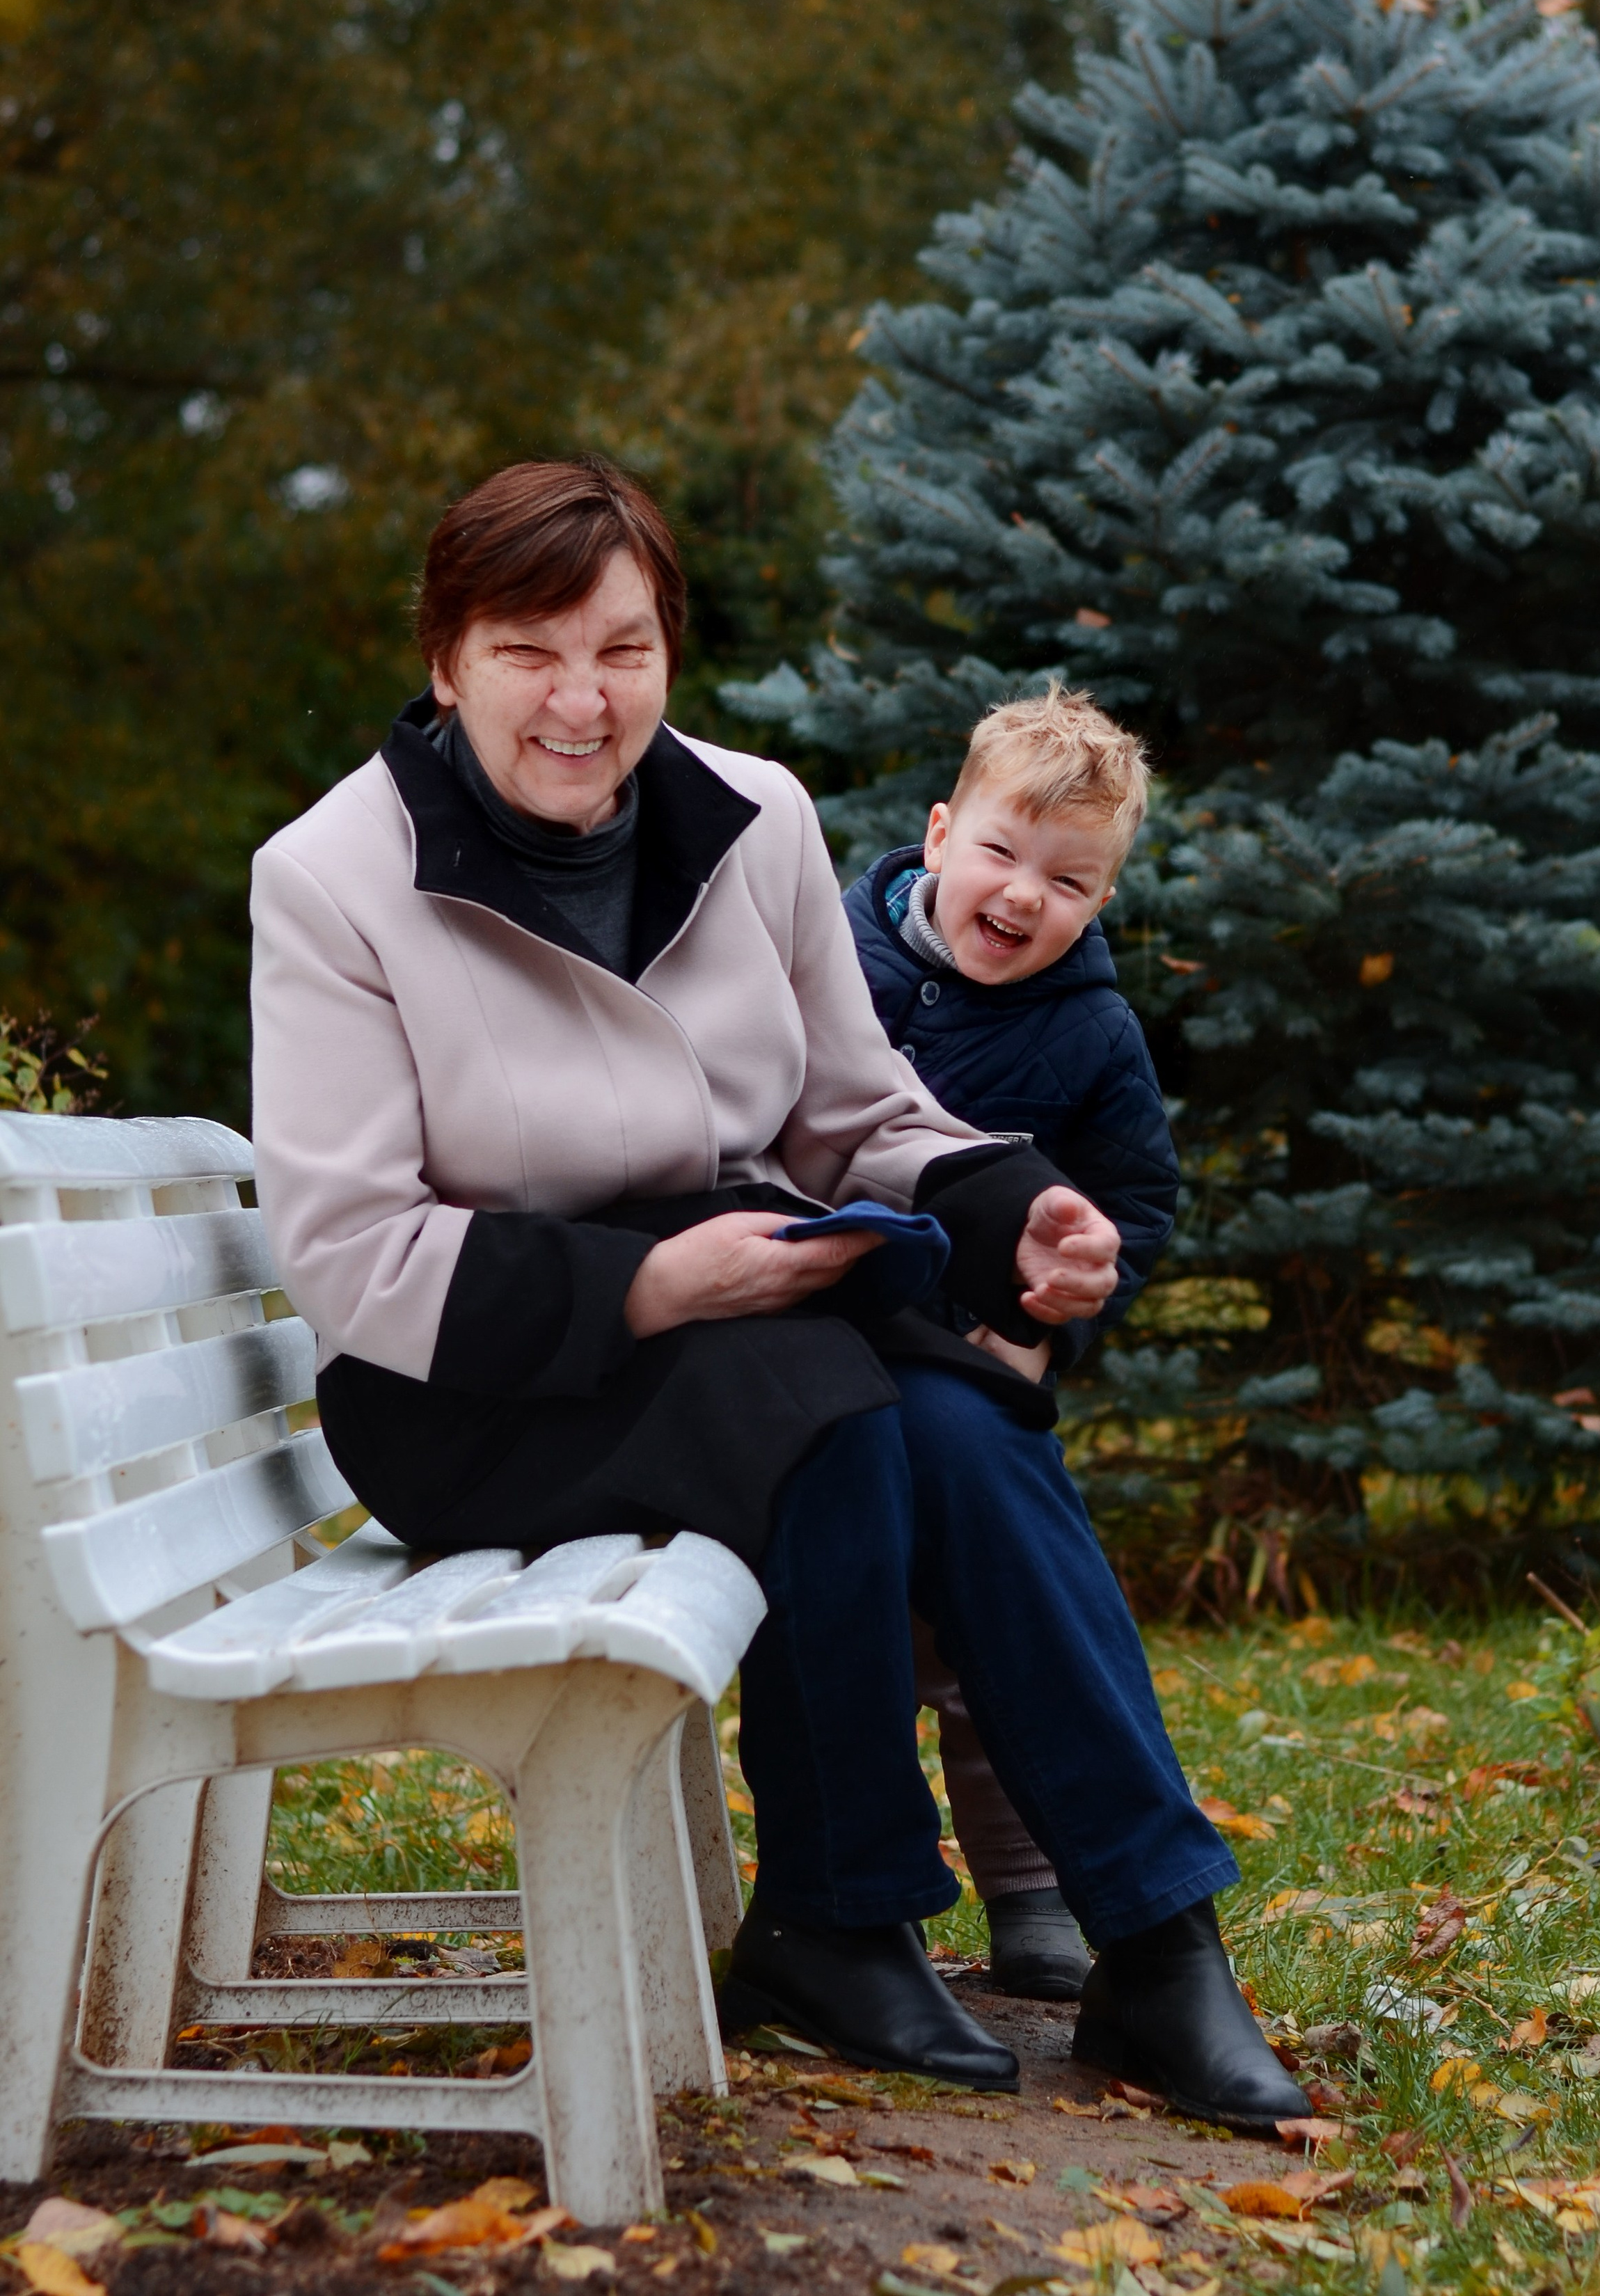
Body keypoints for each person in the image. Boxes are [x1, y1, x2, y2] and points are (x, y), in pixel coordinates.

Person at [248, 454, 1306, 2125]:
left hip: (749, 1316)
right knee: (828, 1398)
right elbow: (353, 1250)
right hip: (476, 1378)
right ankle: (836, 1914)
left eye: (624, 648)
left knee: (964, 1423)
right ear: (445, 659)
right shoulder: (331, 877)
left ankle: (1156, 1948)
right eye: (529, 651)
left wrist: (1011, 1200)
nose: (582, 701)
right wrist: (658, 1282)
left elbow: (853, 1106)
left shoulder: (754, 816)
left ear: (670, 649)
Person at [843, 687, 1177, 2004]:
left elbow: (1132, 1203)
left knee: (979, 1633)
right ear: (937, 835)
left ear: (1099, 904)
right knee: (858, 1625)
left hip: (979, 1361)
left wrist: (1057, 1319)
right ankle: (873, 1891)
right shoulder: (836, 966)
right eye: (1000, 852)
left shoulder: (1092, 1034)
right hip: (826, 1341)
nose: (1023, 895)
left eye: (1069, 880)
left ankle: (1031, 1893)